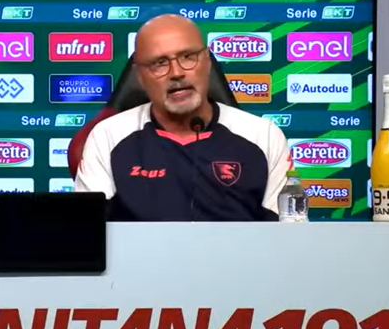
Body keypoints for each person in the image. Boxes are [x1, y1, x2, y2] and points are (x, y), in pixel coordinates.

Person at [74, 14, 292, 221]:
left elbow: (290, 232)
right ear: (140, 76)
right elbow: (86, 231)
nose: (176, 73)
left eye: (188, 57)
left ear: (207, 61)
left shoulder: (263, 136)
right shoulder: (107, 137)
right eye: (159, 63)